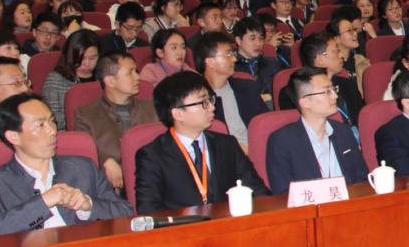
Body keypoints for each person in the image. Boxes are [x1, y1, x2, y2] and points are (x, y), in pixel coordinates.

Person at [0, 93, 133, 238]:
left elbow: (125, 212)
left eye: (52, 121)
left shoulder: (82, 168)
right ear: (13, 136)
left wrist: (88, 205)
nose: (52, 131)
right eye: (40, 125)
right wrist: (42, 203)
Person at [135, 71, 269, 211]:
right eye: (204, 102)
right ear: (178, 113)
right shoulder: (152, 155)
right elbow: (148, 209)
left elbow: (257, 190)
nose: (212, 107)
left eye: (210, 100)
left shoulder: (227, 144)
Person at [265, 66, 367, 195]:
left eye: (333, 89)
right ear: (305, 102)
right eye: (327, 91)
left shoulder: (343, 132)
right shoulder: (282, 141)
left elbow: (362, 178)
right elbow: (283, 193)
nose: (335, 96)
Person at [73, 52, 158, 191]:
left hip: (154, 180)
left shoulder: (152, 108)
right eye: (130, 72)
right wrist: (105, 160)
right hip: (112, 188)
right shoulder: (86, 115)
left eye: (136, 71)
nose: (137, 77)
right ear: (110, 81)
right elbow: (82, 151)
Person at [197, 30, 266, 148]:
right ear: (210, 61)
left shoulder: (248, 88)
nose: (234, 59)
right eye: (228, 54)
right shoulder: (197, 99)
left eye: (233, 54)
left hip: (258, 149)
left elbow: (266, 124)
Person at [41, 29, 99, 127]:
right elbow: (53, 121)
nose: (87, 63)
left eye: (92, 58)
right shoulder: (54, 81)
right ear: (71, 55)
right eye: (81, 58)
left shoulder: (105, 78)